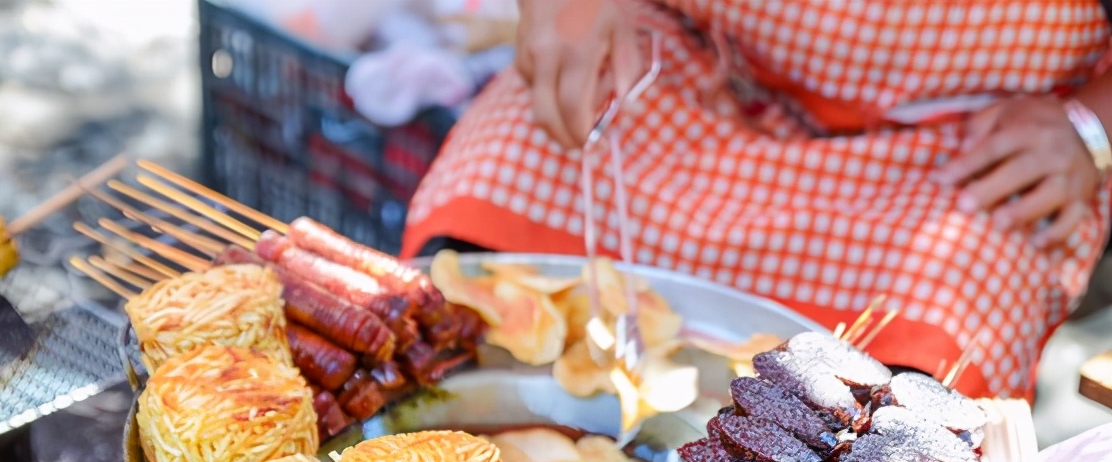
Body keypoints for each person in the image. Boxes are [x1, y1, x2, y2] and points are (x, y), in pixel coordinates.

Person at [402, 0, 1112, 400]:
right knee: (480, 231)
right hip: (686, 63)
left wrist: (1093, 127)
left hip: (967, 145)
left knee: (913, 416)